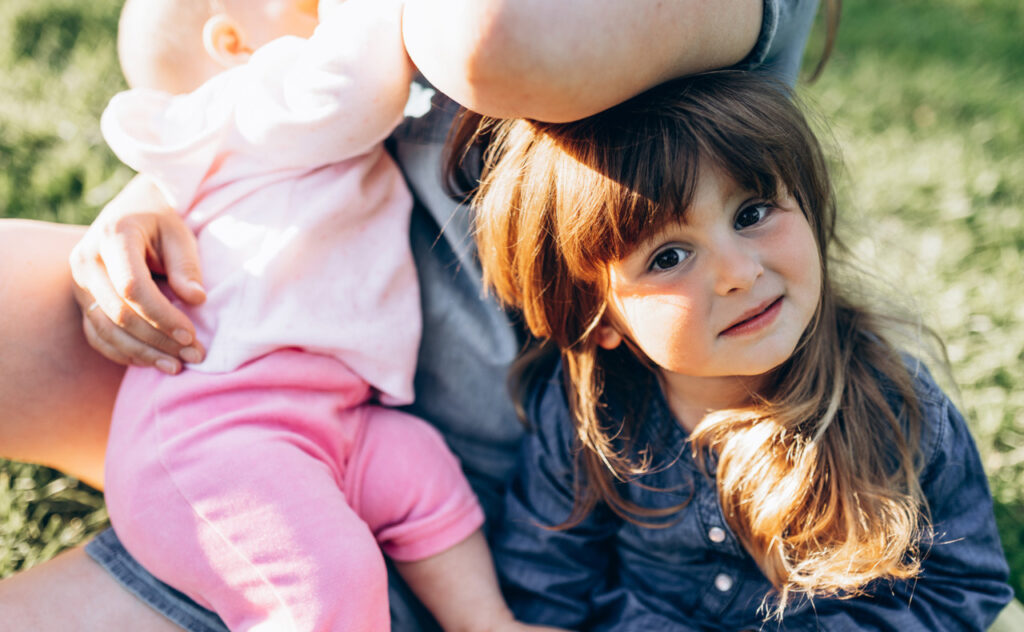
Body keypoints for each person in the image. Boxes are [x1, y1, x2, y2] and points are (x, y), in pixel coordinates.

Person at [0, 1, 833, 630]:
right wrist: (164, 190)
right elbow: (258, 107)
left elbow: (489, 38)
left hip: (499, 485)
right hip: (283, 405)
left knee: (320, 577)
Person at [468, 70, 1014, 629]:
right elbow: (545, 590)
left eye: (751, 214)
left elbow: (961, 589)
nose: (738, 272)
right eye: (669, 257)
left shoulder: (895, 406)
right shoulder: (589, 421)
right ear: (598, 319)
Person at [86, 0, 567, 630]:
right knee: (327, 580)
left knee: (421, 470)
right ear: (232, 44)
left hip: (329, 419)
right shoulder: (251, 101)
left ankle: (485, 622)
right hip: (220, 432)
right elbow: (354, 88)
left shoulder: (249, 137)